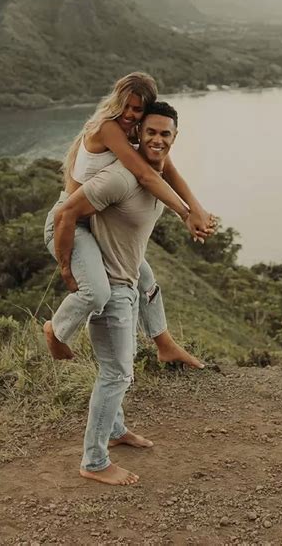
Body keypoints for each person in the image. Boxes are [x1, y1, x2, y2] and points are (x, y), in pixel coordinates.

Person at [43, 72, 217, 367]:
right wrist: (184, 214)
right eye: (125, 105)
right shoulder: (109, 128)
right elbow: (145, 175)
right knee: (96, 292)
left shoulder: (138, 132)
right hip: (70, 222)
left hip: (98, 223)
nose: (129, 114)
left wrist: (196, 208)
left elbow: (167, 169)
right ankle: (55, 332)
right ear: (116, 101)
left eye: (137, 109)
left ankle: (165, 345)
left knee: (146, 280)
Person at [51, 101, 183, 485]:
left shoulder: (153, 174)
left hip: (124, 277)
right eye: (150, 132)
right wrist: (64, 267)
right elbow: (65, 215)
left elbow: (167, 181)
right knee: (116, 374)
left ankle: (115, 428)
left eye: (165, 134)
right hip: (109, 286)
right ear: (137, 134)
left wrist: (193, 211)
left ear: (175, 137)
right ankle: (93, 462)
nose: (157, 140)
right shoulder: (122, 177)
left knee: (147, 289)